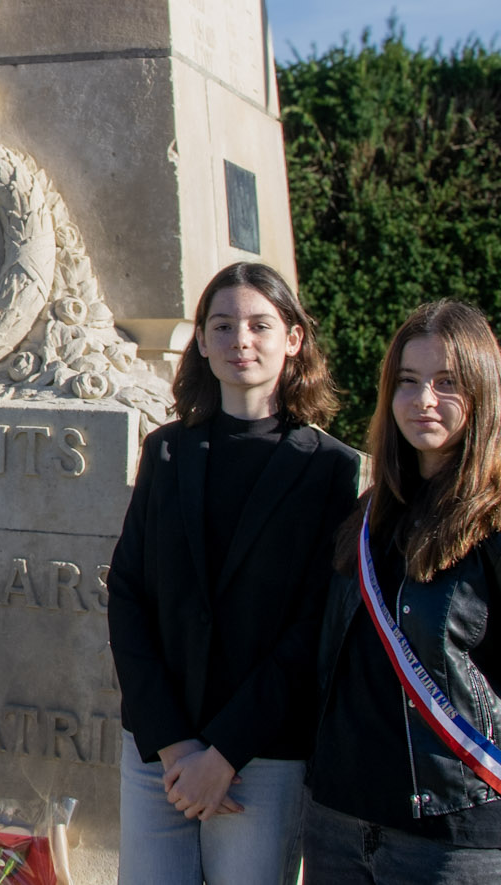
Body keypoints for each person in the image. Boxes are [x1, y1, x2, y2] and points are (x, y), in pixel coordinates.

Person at [305, 300, 501, 882]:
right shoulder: (369, 516)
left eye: (447, 384)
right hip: (340, 823)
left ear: (484, 393)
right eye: (408, 383)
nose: (424, 401)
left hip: (459, 839)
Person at [106, 261, 363, 885]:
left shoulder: (331, 469)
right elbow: (128, 594)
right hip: (158, 756)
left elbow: (312, 628)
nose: (239, 340)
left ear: (292, 339)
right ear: (200, 339)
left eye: (258, 324)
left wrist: (222, 754)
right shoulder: (165, 451)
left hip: (260, 758)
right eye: (221, 326)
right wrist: (175, 745)